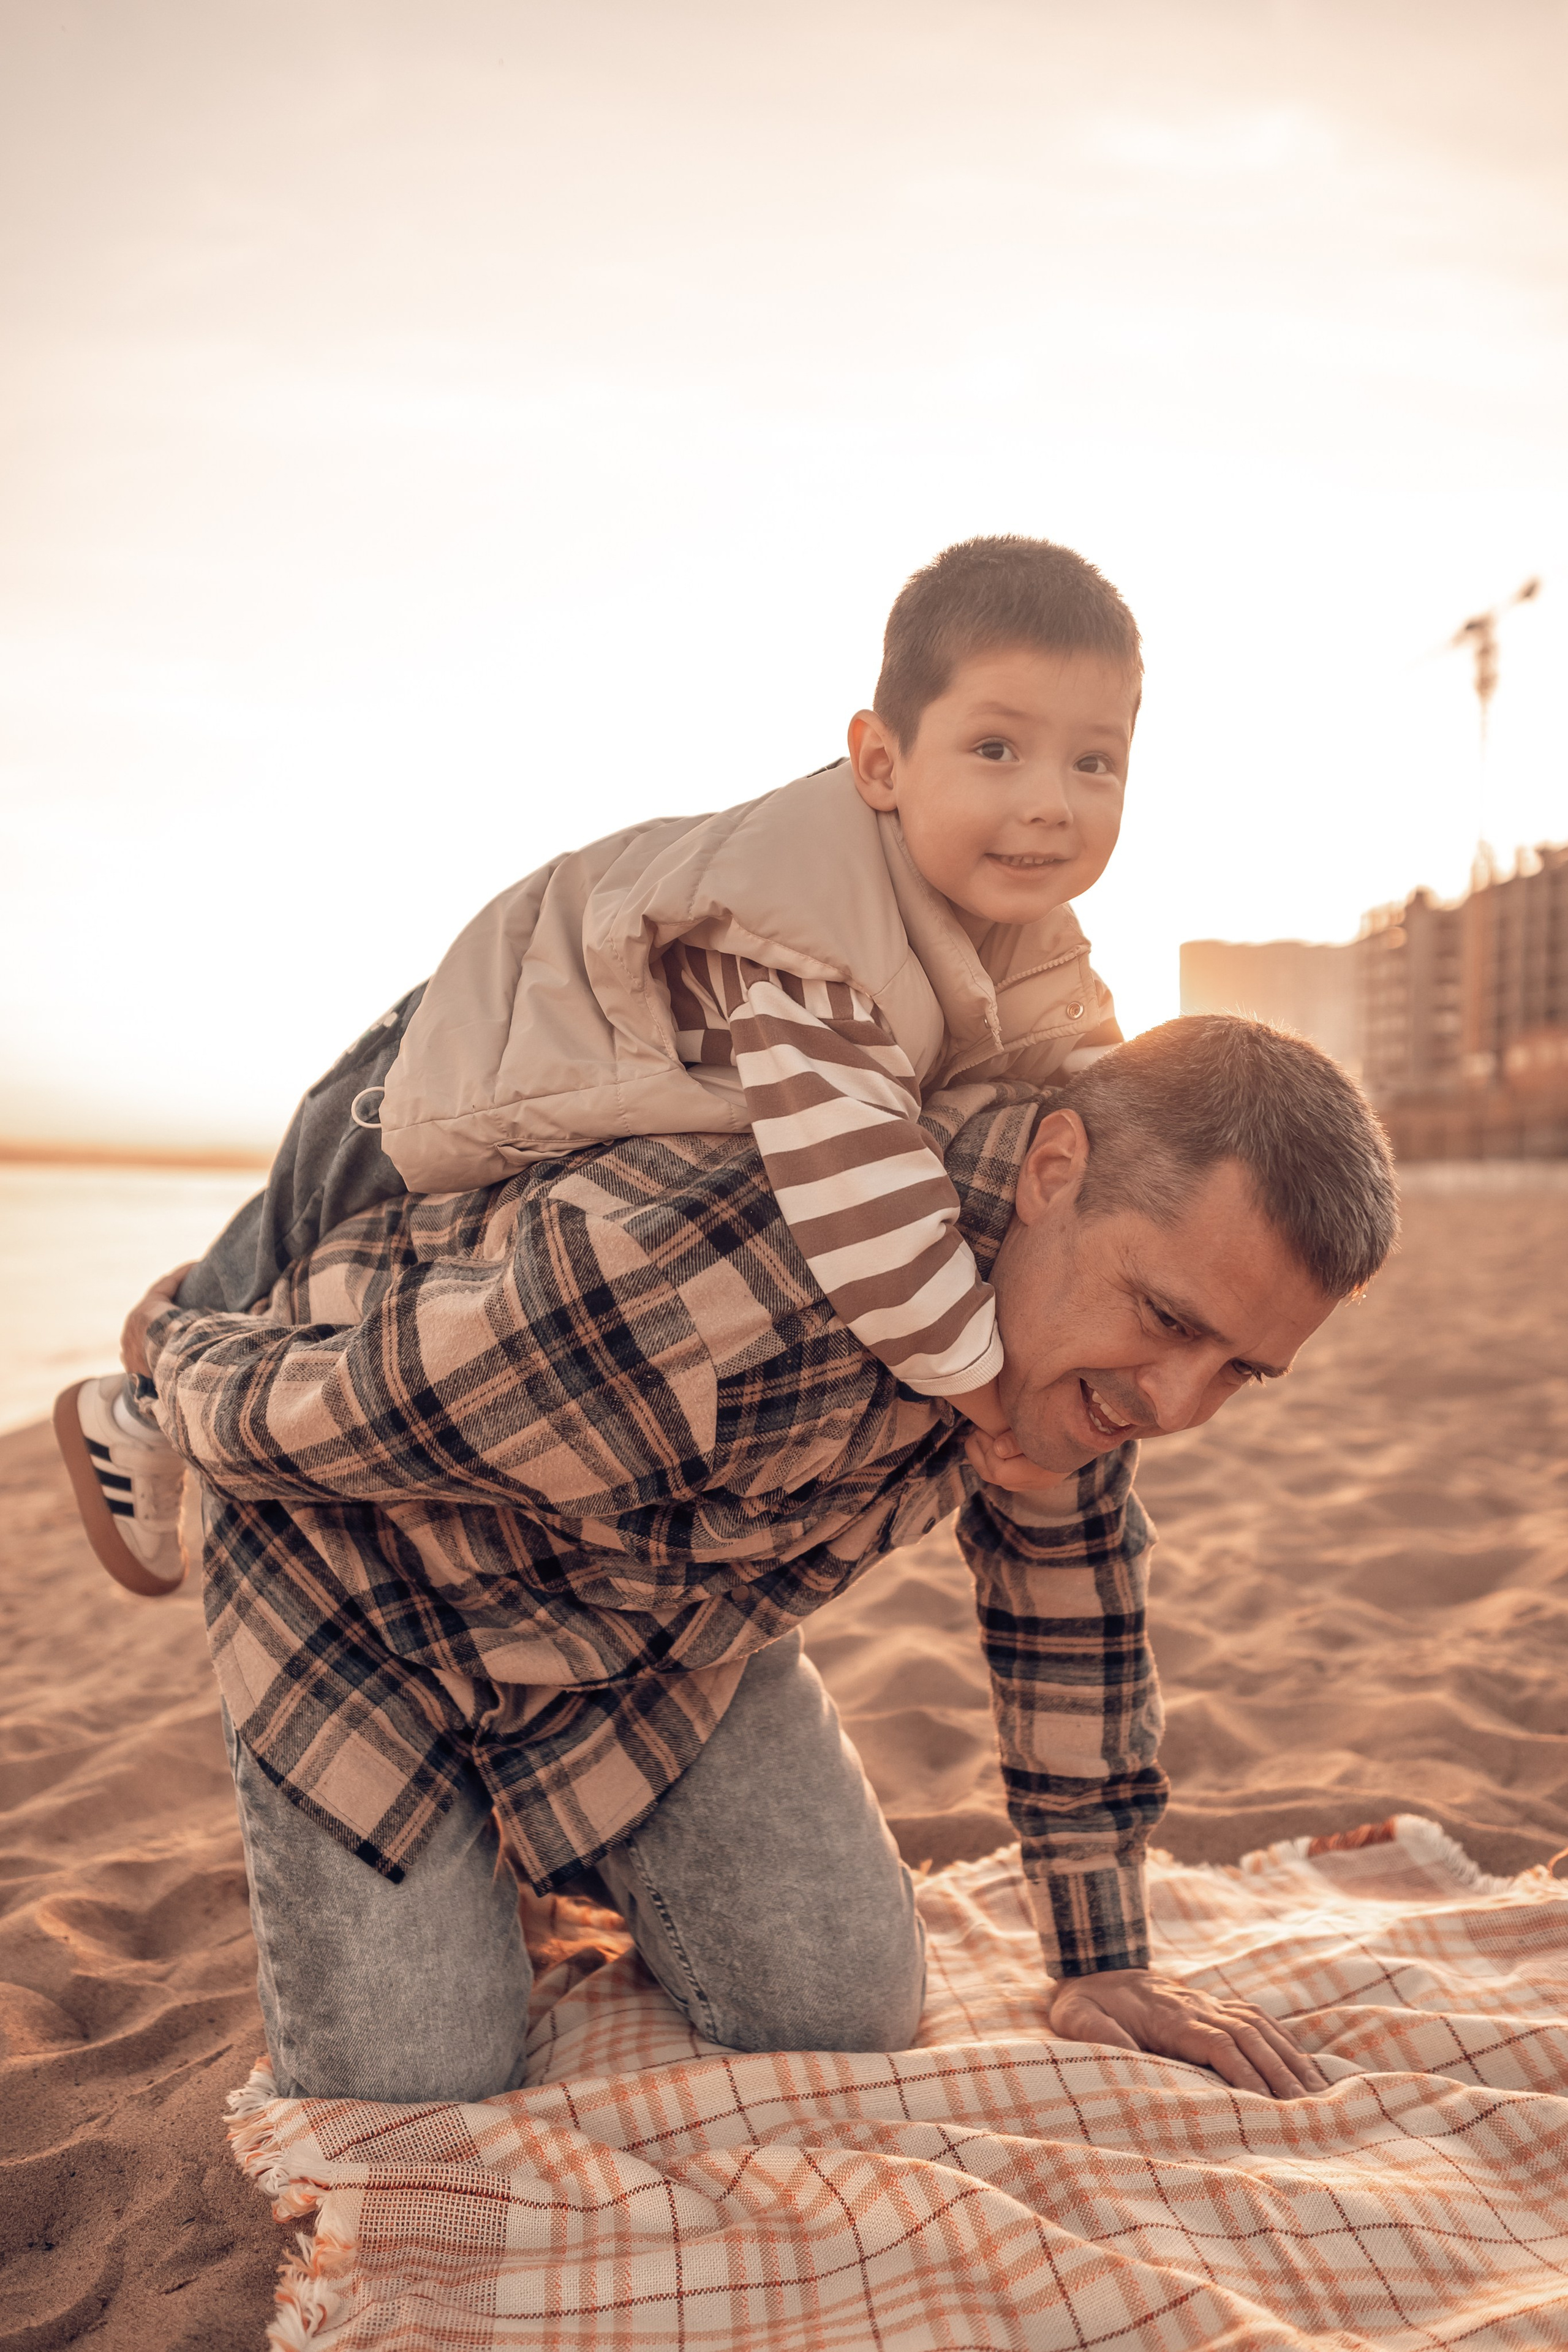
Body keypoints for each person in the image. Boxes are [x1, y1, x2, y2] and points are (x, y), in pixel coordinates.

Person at [118, 1017, 1398, 2105]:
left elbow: (1072, 1603)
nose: (1174, 1404)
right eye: (1167, 1320)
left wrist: (1101, 1956)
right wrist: (171, 1351)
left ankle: (542, 1852)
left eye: (1237, 1370)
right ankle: (481, 1844)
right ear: (1052, 1169)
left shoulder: (1084, 1337)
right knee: (412, 2083)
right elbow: (306, 1423)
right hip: (364, 1566)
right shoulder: (722, 1285)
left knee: (837, 2006)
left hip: (656, 1614)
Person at [55, 533, 1135, 1591]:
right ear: (880, 762)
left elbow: (1109, 1090)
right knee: (295, 1230)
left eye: (1094, 762)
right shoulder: (814, 942)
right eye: (997, 750)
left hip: (593, 1058)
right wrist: (1000, 1403)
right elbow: (874, 1228)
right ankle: (137, 1403)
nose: (1051, 800)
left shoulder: (1034, 939)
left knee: (309, 1241)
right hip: (471, 1040)